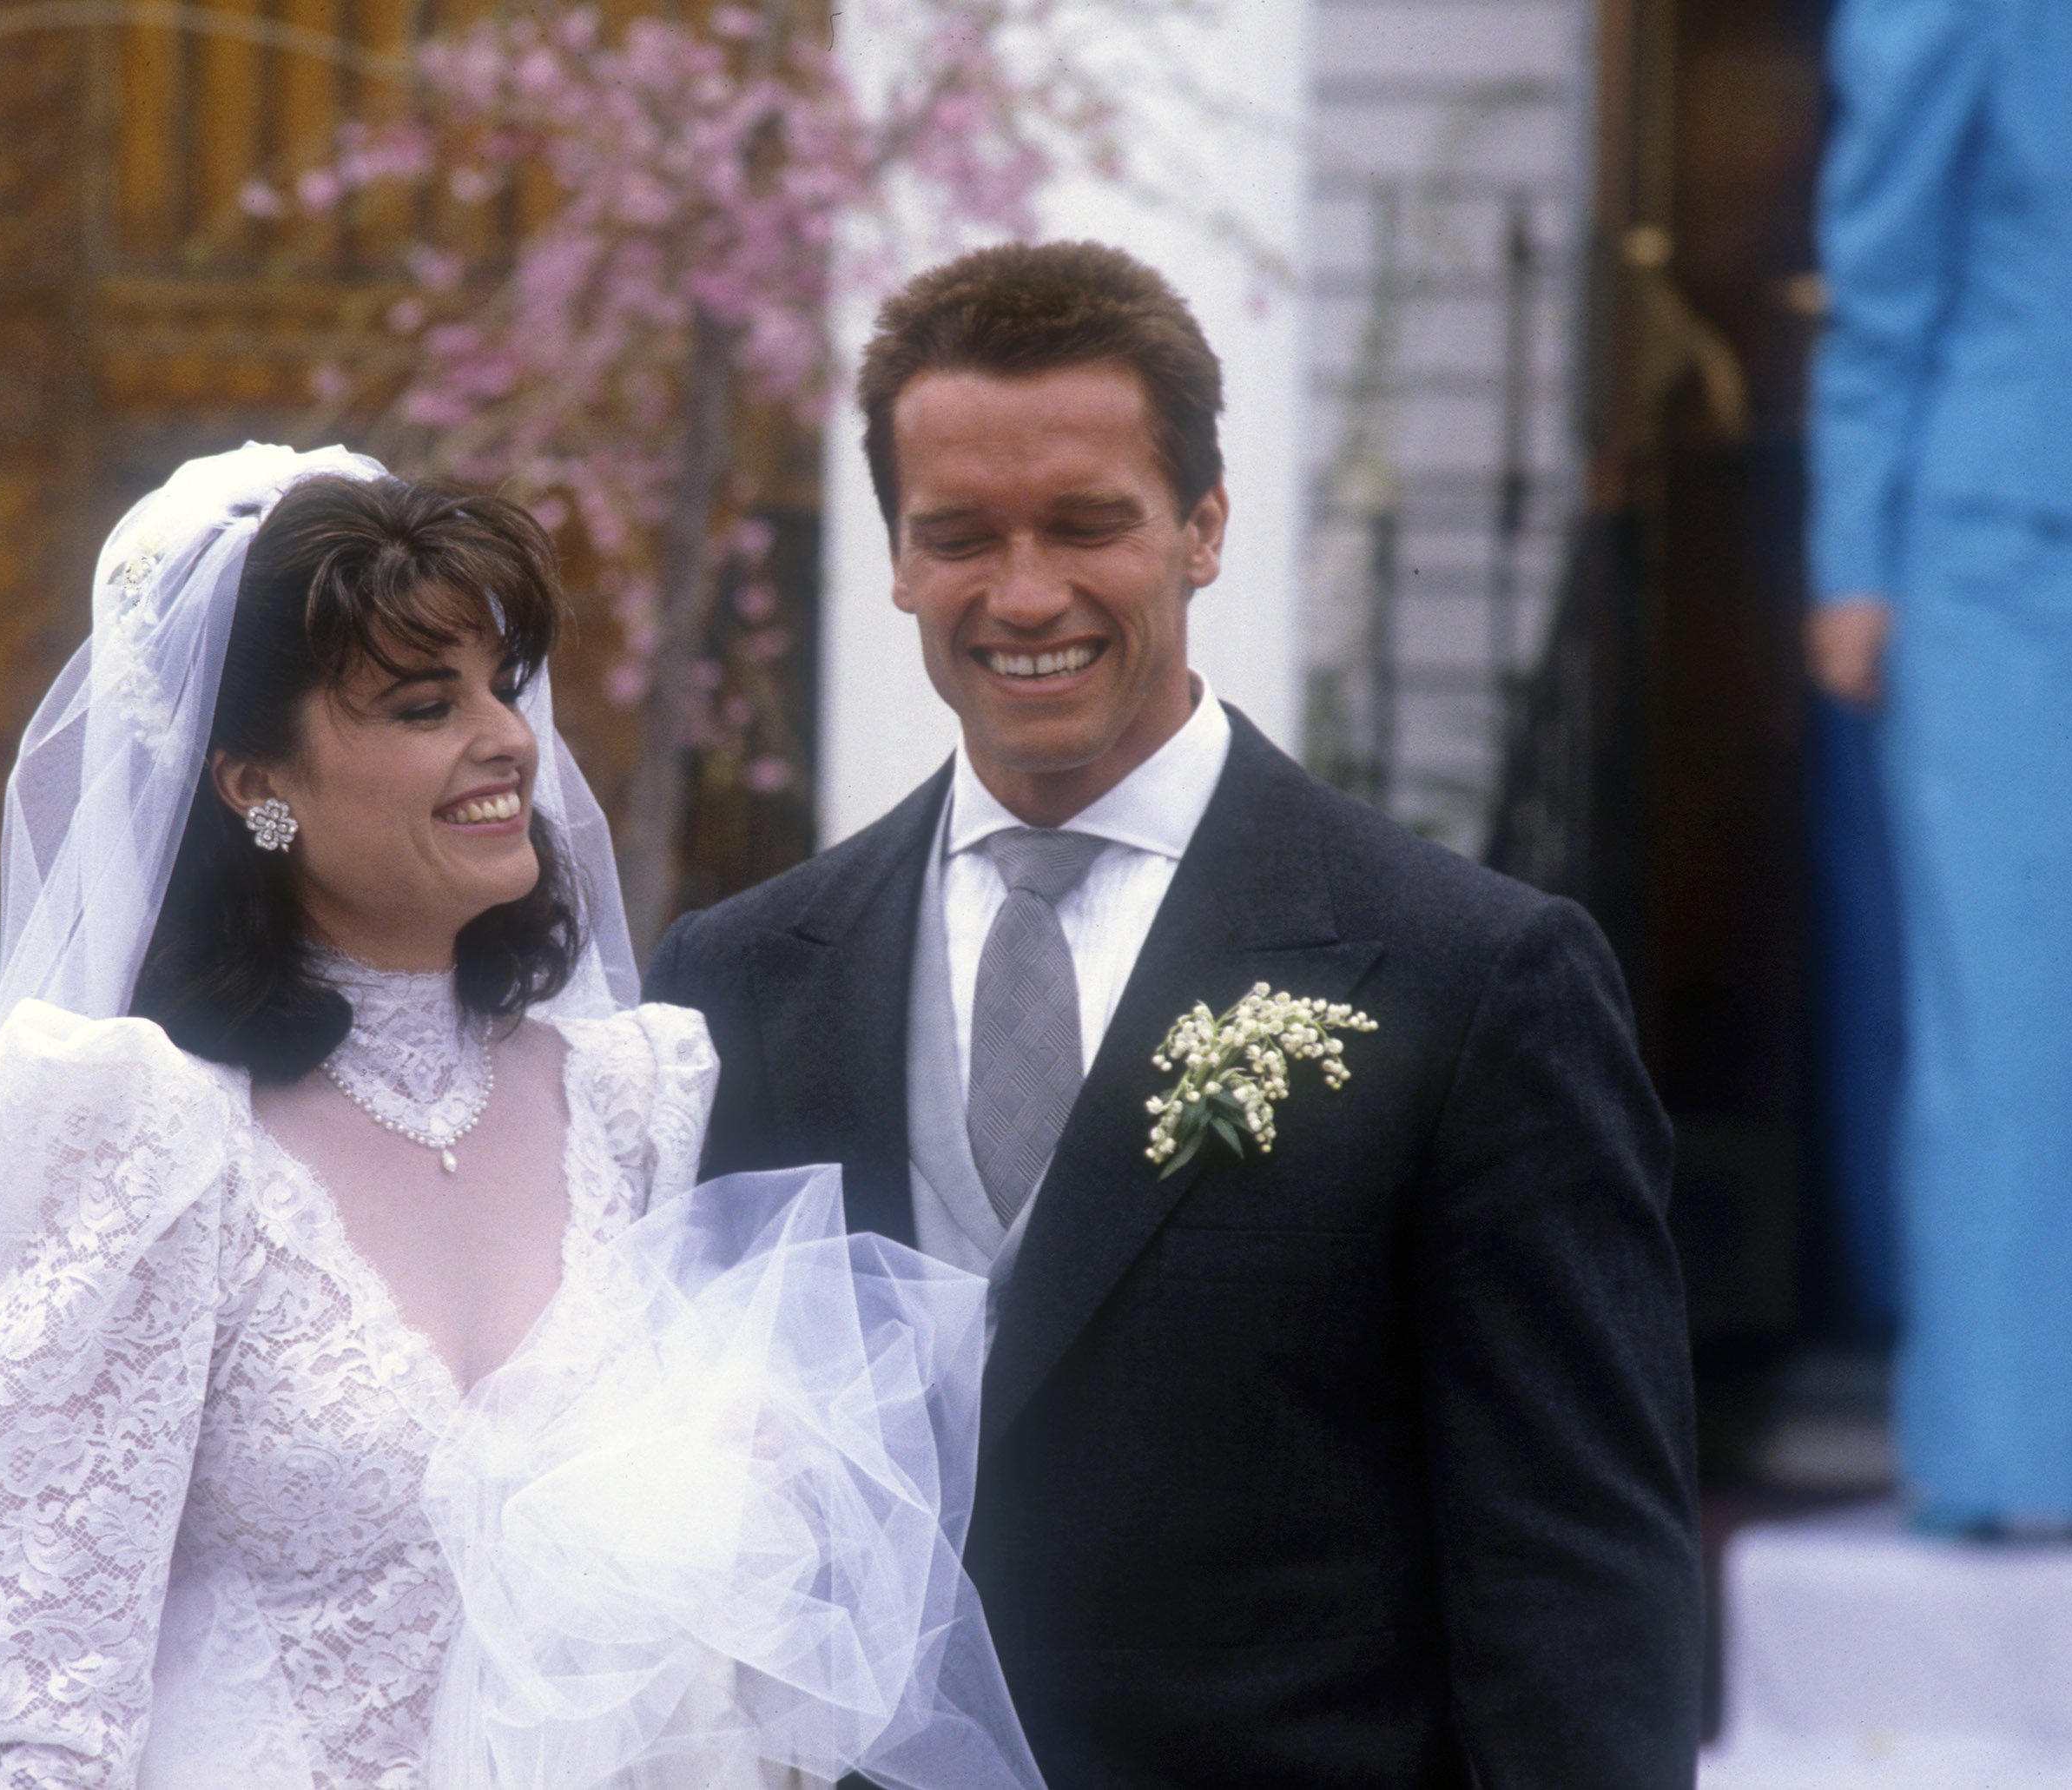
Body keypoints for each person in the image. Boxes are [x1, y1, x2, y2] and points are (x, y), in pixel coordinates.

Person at [645, 242, 1705, 1787]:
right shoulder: (738, 980)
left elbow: (1578, 1567)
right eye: (960, 536)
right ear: (893, 556)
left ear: (1204, 526)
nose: (1024, 594)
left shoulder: (1472, 975)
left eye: (1089, 526)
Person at [0, 446, 1045, 1790]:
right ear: (255, 784)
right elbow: (48, 1711)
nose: (504, 740)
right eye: (424, 704)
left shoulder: (635, 1100)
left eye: (503, 685)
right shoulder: (128, 1137)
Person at [1805, 0, 2072, 1531]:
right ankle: (2018, 1458)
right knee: (2023, 1018)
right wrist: (1854, 561)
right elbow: (1885, 275)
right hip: (2016, 568)